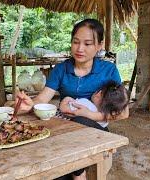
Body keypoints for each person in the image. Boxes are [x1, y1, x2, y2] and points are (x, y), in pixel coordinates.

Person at [15, 18, 129, 180]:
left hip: (95, 131)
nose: (80, 48)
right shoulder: (61, 69)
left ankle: (78, 172)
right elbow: (43, 99)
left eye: (88, 44)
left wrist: (89, 115)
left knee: (80, 122)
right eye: (76, 42)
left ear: (99, 46)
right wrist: (30, 104)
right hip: (65, 130)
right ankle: (74, 171)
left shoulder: (108, 70)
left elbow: (123, 113)